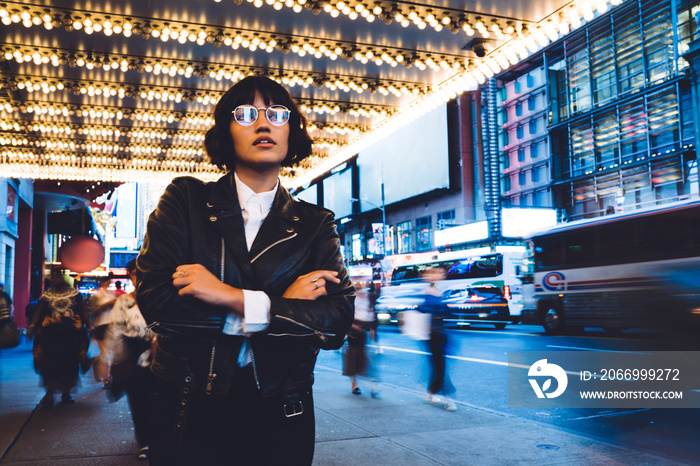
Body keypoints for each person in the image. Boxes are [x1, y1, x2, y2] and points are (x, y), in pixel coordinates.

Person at [136, 75, 355, 466]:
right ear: (226, 131)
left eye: (277, 113)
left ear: (291, 131)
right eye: (246, 113)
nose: (264, 123)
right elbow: (158, 301)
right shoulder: (185, 200)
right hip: (188, 400)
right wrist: (277, 305)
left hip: (284, 405)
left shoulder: (315, 222)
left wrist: (229, 296)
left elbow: (335, 321)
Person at [106, 259, 153, 461]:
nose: (138, 277)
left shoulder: (161, 298)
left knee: (161, 400)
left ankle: (162, 437)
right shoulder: (125, 302)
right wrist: (113, 362)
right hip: (134, 355)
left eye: (142, 272)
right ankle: (145, 441)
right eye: (134, 273)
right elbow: (115, 331)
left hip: (162, 356)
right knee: (139, 400)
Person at [28, 269, 92, 408]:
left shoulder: (75, 294)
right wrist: (32, 326)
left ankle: (66, 393)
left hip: (70, 336)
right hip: (50, 336)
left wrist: (90, 326)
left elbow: (83, 310)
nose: (55, 278)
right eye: (53, 276)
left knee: (70, 364)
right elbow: (39, 312)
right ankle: (49, 393)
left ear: (64, 278)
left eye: (58, 276)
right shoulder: (47, 295)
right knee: (49, 364)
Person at [418, 267, 457, 412]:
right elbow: (423, 308)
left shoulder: (440, 290)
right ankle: (449, 398)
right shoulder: (427, 291)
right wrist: (440, 312)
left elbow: (446, 310)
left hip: (441, 334)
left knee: (437, 366)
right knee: (440, 367)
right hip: (431, 335)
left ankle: (431, 392)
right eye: (436, 272)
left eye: (440, 273)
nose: (441, 275)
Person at [343, 281, 380, 397]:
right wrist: (352, 325)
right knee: (353, 355)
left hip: (365, 327)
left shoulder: (369, 296)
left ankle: (372, 383)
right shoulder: (351, 298)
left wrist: (373, 328)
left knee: (365, 355)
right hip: (354, 328)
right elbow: (345, 314)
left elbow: (373, 312)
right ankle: (354, 384)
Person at [88, 276, 116, 388]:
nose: (107, 285)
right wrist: (107, 305)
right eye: (105, 282)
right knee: (105, 352)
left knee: (108, 353)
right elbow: (93, 311)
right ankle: (106, 378)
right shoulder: (96, 296)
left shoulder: (111, 295)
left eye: (108, 283)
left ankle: (106, 375)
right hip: (101, 326)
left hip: (111, 326)